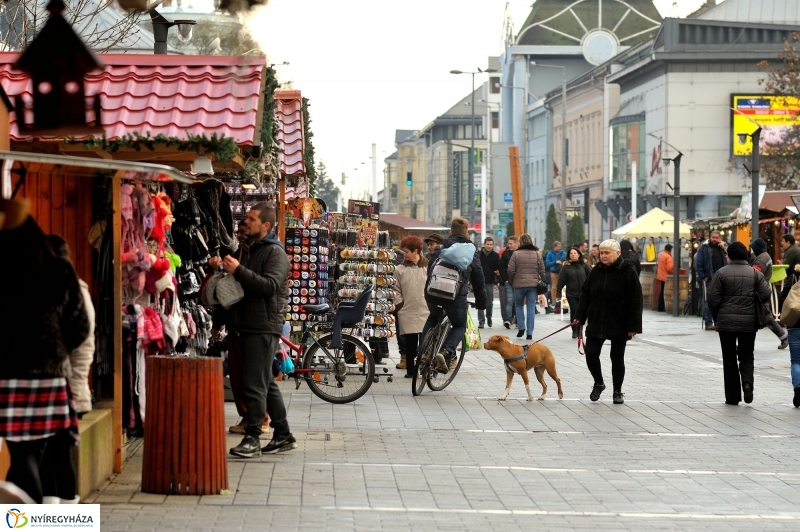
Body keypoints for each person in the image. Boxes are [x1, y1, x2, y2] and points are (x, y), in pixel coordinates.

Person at [0, 216, 89, 503]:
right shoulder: (60, 270)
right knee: (41, 453)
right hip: (51, 377)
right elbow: (80, 327)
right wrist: (56, 350)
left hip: (10, 375)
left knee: (23, 454)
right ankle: (48, 519)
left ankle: (27, 521)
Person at [209, 202, 295, 458]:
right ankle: (283, 435)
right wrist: (218, 321)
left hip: (262, 326)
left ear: (266, 225)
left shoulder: (275, 253)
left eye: (251, 219)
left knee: (253, 384)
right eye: (245, 218)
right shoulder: (246, 250)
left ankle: (253, 437)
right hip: (244, 325)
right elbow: (234, 288)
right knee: (265, 383)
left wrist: (238, 269)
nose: (245, 222)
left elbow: (269, 286)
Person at [40, 235, 96, 504]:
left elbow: (81, 342)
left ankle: (62, 518)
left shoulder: (72, 290)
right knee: (53, 457)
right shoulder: (66, 288)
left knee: (57, 456)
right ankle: (52, 517)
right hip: (66, 386)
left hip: (68, 388)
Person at [572, 239, 643, 405]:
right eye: (601, 253)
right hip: (597, 319)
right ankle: (599, 382)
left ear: (617, 254)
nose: (602, 256)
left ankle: (617, 391)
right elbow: (586, 295)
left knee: (617, 357)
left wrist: (634, 325)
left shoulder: (628, 271)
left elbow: (636, 300)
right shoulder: (596, 271)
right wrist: (579, 316)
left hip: (620, 321)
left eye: (606, 253)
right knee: (591, 354)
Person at [707, 241, 771, 405]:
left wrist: (718, 315)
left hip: (726, 323)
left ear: (729, 256)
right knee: (747, 355)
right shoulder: (755, 274)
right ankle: (747, 383)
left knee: (729, 358)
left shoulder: (721, 273)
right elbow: (765, 294)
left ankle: (733, 396)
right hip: (749, 322)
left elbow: (712, 299)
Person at [421, 217, 486, 374]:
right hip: (455, 297)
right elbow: (478, 278)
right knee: (459, 325)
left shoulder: (441, 247)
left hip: (433, 294)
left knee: (432, 318)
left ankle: (423, 353)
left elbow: (431, 269)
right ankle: (447, 352)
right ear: (467, 233)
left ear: (450, 232)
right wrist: (481, 302)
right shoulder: (470, 251)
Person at [394, 236, 429, 378]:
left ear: (416, 251)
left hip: (425, 310)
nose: (404, 254)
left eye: (407, 251)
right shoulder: (399, 269)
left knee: (425, 343)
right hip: (407, 310)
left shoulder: (428, 267)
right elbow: (395, 289)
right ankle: (411, 371)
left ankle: (425, 369)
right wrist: (399, 304)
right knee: (410, 343)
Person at [749, 238, 788, 349]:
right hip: (763, 289)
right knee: (757, 318)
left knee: (766, 317)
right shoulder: (766, 256)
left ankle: (783, 336)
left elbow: (754, 275)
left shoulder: (760, 260)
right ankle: (747, 344)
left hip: (759, 292)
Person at [508, 233, 546, 340]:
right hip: (533, 285)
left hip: (519, 284)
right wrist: (543, 281)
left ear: (521, 242)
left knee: (519, 305)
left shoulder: (516, 254)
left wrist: (512, 280)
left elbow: (510, 270)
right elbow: (542, 270)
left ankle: (521, 327)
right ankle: (529, 333)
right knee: (531, 307)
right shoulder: (537, 254)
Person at [557, 246, 591, 339]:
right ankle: (574, 330)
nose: (573, 255)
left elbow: (591, 277)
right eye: (571, 253)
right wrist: (558, 293)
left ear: (579, 255)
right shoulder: (566, 266)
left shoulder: (584, 265)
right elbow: (561, 280)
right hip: (571, 293)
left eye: (575, 253)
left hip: (584, 294)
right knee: (574, 310)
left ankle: (580, 330)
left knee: (583, 312)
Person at [695, 230, 727, 329]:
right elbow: (698, 262)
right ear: (710, 237)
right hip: (710, 278)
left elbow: (731, 257)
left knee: (721, 301)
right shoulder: (704, 248)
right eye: (713, 237)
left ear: (720, 238)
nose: (715, 239)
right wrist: (702, 276)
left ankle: (718, 322)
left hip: (722, 278)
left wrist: (725, 248)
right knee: (710, 300)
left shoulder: (723, 247)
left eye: (717, 238)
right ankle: (708, 323)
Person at [478, 237, 500, 328]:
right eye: (487, 244)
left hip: (490, 281)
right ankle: (481, 321)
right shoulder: (478, 254)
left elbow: (497, 270)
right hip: (479, 280)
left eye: (491, 244)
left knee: (489, 302)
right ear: (484, 244)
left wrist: (496, 282)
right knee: (480, 300)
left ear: (493, 245)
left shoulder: (495, 255)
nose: (489, 246)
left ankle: (489, 317)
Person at [498, 236, 519, 328]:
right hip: (509, 281)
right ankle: (507, 319)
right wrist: (505, 279)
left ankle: (518, 320)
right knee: (509, 301)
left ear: (516, 243)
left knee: (518, 302)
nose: (509, 245)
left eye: (511, 243)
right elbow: (501, 267)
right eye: (508, 243)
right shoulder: (506, 254)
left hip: (519, 281)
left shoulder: (520, 253)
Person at [655, 244, 674, 312]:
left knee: (661, 292)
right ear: (670, 249)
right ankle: (661, 307)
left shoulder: (661, 255)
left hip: (660, 275)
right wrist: (674, 272)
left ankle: (660, 307)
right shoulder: (668, 257)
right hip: (666, 277)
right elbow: (669, 269)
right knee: (665, 292)